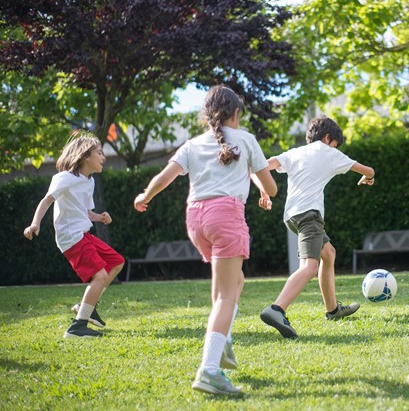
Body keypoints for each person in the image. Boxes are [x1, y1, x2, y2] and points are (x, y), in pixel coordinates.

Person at [134, 85, 277, 395]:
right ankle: (210, 370)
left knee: (233, 282)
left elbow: (165, 177)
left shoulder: (194, 143)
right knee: (228, 293)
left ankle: (222, 341)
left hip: (196, 220)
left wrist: (145, 195)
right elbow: (272, 187)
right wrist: (265, 188)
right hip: (226, 216)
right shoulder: (247, 140)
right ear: (236, 113)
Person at [257, 115, 375, 339]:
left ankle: (333, 310)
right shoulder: (329, 152)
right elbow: (368, 170)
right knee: (309, 267)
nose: (335, 148)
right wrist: (368, 178)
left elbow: (265, 166)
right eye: (335, 144)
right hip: (309, 215)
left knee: (328, 253)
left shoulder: (294, 152)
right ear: (328, 138)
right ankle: (276, 309)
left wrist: (264, 191)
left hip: (291, 216)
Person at [24, 133, 124, 338]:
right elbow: (47, 200)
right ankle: (77, 328)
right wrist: (35, 224)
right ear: (85, 156)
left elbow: (85, 212)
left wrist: (100, 217)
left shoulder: (89, 182)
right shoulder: (64, 178)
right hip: (71, 237)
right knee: (100, 276)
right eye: (99, 153)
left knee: (116, 261)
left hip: (83, 233)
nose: (103, 157)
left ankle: (86, 306)